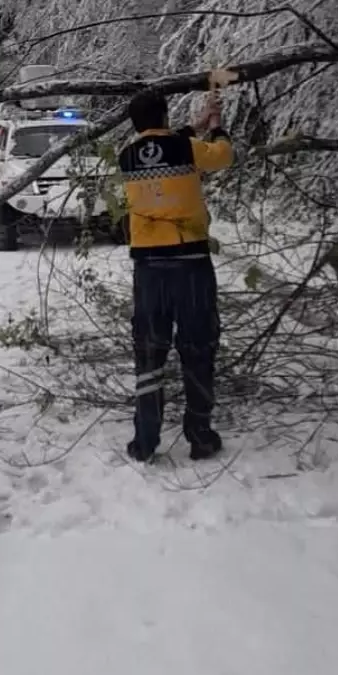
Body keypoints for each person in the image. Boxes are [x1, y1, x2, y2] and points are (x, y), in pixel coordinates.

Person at [118, 75, 234, 462]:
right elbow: (222, 157)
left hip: (148, 269)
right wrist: (215, 127)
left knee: (150, 350)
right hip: (190, 264)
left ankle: (145, 440)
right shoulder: (185, 147)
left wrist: (193, 125)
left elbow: (160, 147)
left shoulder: (127, 155)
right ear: (165, 117)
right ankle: (199, 435)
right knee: (198, 346)